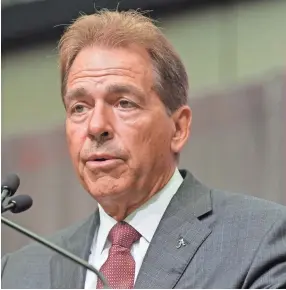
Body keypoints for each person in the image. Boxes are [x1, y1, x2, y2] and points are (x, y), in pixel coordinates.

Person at [1, 10, 286, 289]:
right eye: (80, 107)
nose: (96, 126)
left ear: (178, 128)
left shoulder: (260, 239)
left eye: (124, 103)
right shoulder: (19, 273)